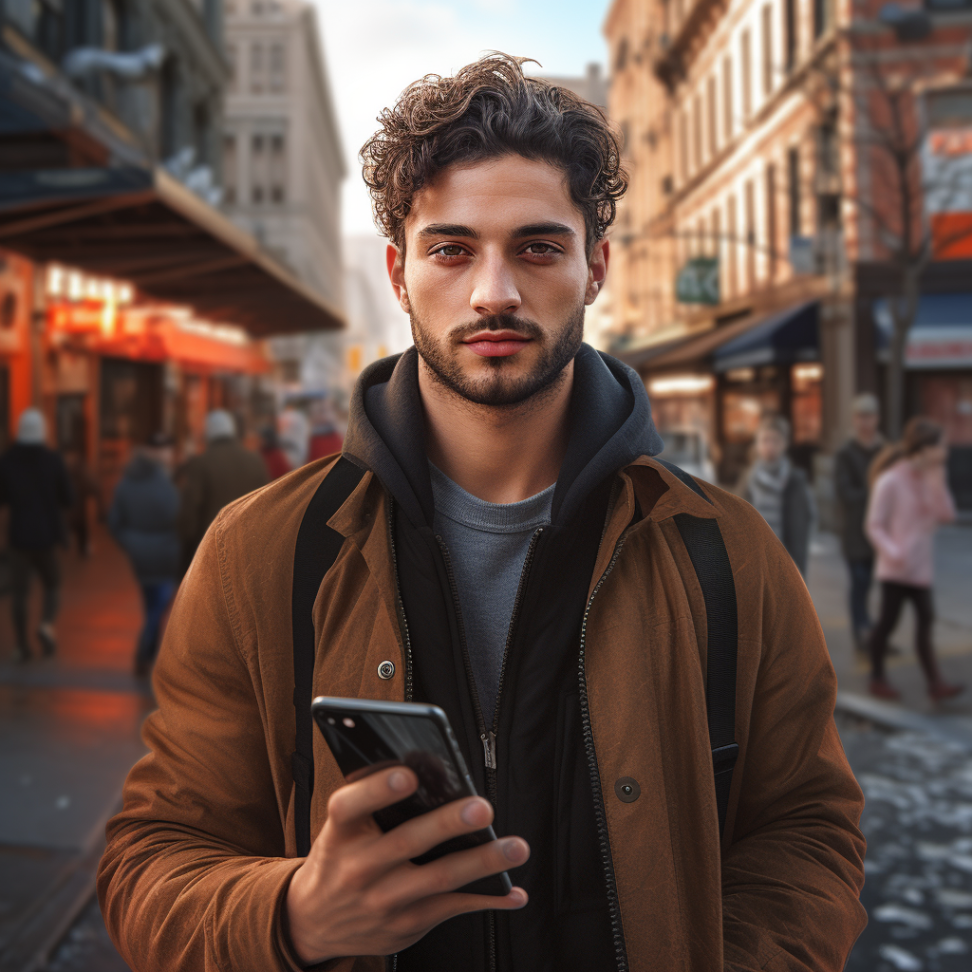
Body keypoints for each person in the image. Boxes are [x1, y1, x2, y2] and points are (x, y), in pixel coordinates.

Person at [99, 55, 866, 972]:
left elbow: (809, 834)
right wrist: (295, 914)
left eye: (538, 247)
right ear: (398, 272)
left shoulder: (726, 552)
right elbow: (149, 862)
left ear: (596, 267)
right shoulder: (260, 553)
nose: (493, 291)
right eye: (452, 249)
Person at [865, 417, 961, 701]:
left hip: (920, 569)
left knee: (926, 621)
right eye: (941, 446)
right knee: (887, 624)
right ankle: (877, 677)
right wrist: (895, 553)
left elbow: (947, 516)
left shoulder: (929, 477)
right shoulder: (890, 480)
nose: (945, 451)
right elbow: (874, 524)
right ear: (925, 448)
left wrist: (938, 482)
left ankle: (935, 684)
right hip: (895, 570)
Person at [0, 408, 73, 662]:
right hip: (47, 536)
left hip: (18, 537)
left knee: (19, 592)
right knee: (52, 584)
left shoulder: (7, 460)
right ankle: (45, 623)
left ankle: (21, 645)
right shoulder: (52, 460)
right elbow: (68, 498)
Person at [109, 433, 180, 678]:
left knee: (152, 603)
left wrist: (131, 542)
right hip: (164, 552)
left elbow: (114, 522)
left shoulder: (126, 482)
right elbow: (176, 514)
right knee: (157, 607)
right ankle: (143, 654)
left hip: (140, 555)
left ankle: (148, 653)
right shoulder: (163, 481)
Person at [177, 409, 268, 574]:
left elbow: (190, 512)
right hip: (248, 546)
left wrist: (186, 548)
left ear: (208, 432)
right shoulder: (255, 461)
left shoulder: (201, 463)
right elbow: (268, 505)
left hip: (212, 548)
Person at [835, 393, 884, 652]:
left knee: (875, 587)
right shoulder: (845, 453)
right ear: (854, 420)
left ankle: (874, 634)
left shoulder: (884, 449)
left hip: (882, 533)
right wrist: (877, 490)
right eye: (861, 417)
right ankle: (860, 635)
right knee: (859, 583)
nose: (865, 422)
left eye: (870, 416)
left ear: (877, 418)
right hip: (855, 532)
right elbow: (846, 494)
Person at [741, 413, 815, 575]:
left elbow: (805, 523)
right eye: (765, 440)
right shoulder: (748, 479)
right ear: (757, 444)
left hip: (788, 564)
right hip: (756, 563)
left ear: (785, 444)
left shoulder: (796, 480)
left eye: (775, 440)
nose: (770, 446)